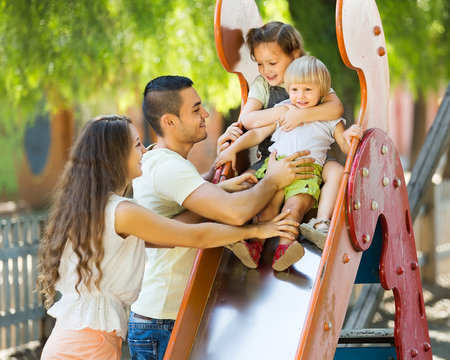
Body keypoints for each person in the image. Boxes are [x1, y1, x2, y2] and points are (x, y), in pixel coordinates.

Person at [37, 115, 302, 360]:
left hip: (76, 341)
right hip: (86, 348)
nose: (144, 152)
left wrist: (216, 190)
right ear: (116, 155)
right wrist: (257, 226)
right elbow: (193, 236)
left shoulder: (97, 206)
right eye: (138, 145)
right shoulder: (122, 211)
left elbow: (168, 233)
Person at [127, 75, 316, 360]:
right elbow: (236, 212)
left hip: (166, 315)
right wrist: (274, 180)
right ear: (169, 121)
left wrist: (217, 171)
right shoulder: (168, 168)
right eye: (196, 109)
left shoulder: (160, 159)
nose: (206, 114)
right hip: (164, 321)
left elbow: (185, 208)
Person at [215, 56, 363, 271]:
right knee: (265, 210)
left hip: (305, 172)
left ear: (322, 91)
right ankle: (253, 247)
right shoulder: (285, 109)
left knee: (293, 210)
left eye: (307, 90)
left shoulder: (330, 119)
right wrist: (233, 149)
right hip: (274, 170)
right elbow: (257, 133)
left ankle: (285, 250)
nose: (300, 96)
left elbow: (345, 147)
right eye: (294, 90)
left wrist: (351, 135)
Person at [235, 21, 346, 249]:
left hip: (311, 155)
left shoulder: (311, 78)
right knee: (246, 184)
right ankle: (247, 238)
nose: (266, 70)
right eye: (260, 64)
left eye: (272, 63)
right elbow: (248, 119)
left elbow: (335, 109)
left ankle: (320, 224)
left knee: (334, 171)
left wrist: (301, 115)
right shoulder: (263, 85)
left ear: (294, 55)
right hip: (273, 156)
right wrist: (282, 111)